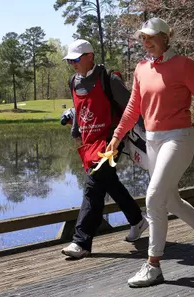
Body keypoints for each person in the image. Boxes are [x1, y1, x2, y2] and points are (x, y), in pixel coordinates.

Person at [106, 18, 194, 287]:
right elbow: (132, 108)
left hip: (178, 139)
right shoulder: (141, 68)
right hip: (152, 140)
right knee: (169, 200)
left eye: (150, 37)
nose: (146, 43)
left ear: (165, 37)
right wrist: (116, 137)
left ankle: (153, 265)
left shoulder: (184, 65)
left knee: (153, 198)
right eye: (142, 39)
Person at [60, 39, 149, 259]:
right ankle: (138, 220)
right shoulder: (73, 81)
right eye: (70, 60)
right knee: (109, 182)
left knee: (93, 185)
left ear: (90, 56)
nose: (72, 63)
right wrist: (73, 121)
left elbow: (132, 109)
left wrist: (149, 137)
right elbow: (82, 106)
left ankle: (81, 242)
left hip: (111, 141)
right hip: (89, 142)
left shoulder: (109, 79)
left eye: (76, 59)